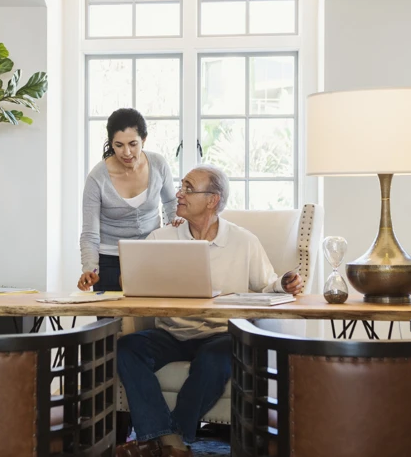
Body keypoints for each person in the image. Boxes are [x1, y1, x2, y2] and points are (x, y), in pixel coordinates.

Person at [115, 165, 303, 457]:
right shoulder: (162, 238)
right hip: (172, 333)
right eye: (182, 186)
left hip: (220, 334)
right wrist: (130, 276)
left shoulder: (244, 241)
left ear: (212, 199)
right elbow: (132, 283)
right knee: (127, 348)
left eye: (189, 188)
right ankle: (167, 440)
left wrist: (285, 283)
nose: (179, 193)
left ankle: (168, 438)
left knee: (216, 357)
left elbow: (268, 285)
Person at [78, 108, 181, 292]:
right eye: (119, 145)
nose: (126, 152)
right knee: (111, 321)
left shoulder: (158, 164)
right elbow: (90, 233)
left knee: (149, 319)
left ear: (144, 139)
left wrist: (174, 234)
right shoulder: (97, 178)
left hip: (151, 255)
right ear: (111, 143)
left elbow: (171, 204)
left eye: (133, 144)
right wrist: (90, 268)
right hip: (110, 258)